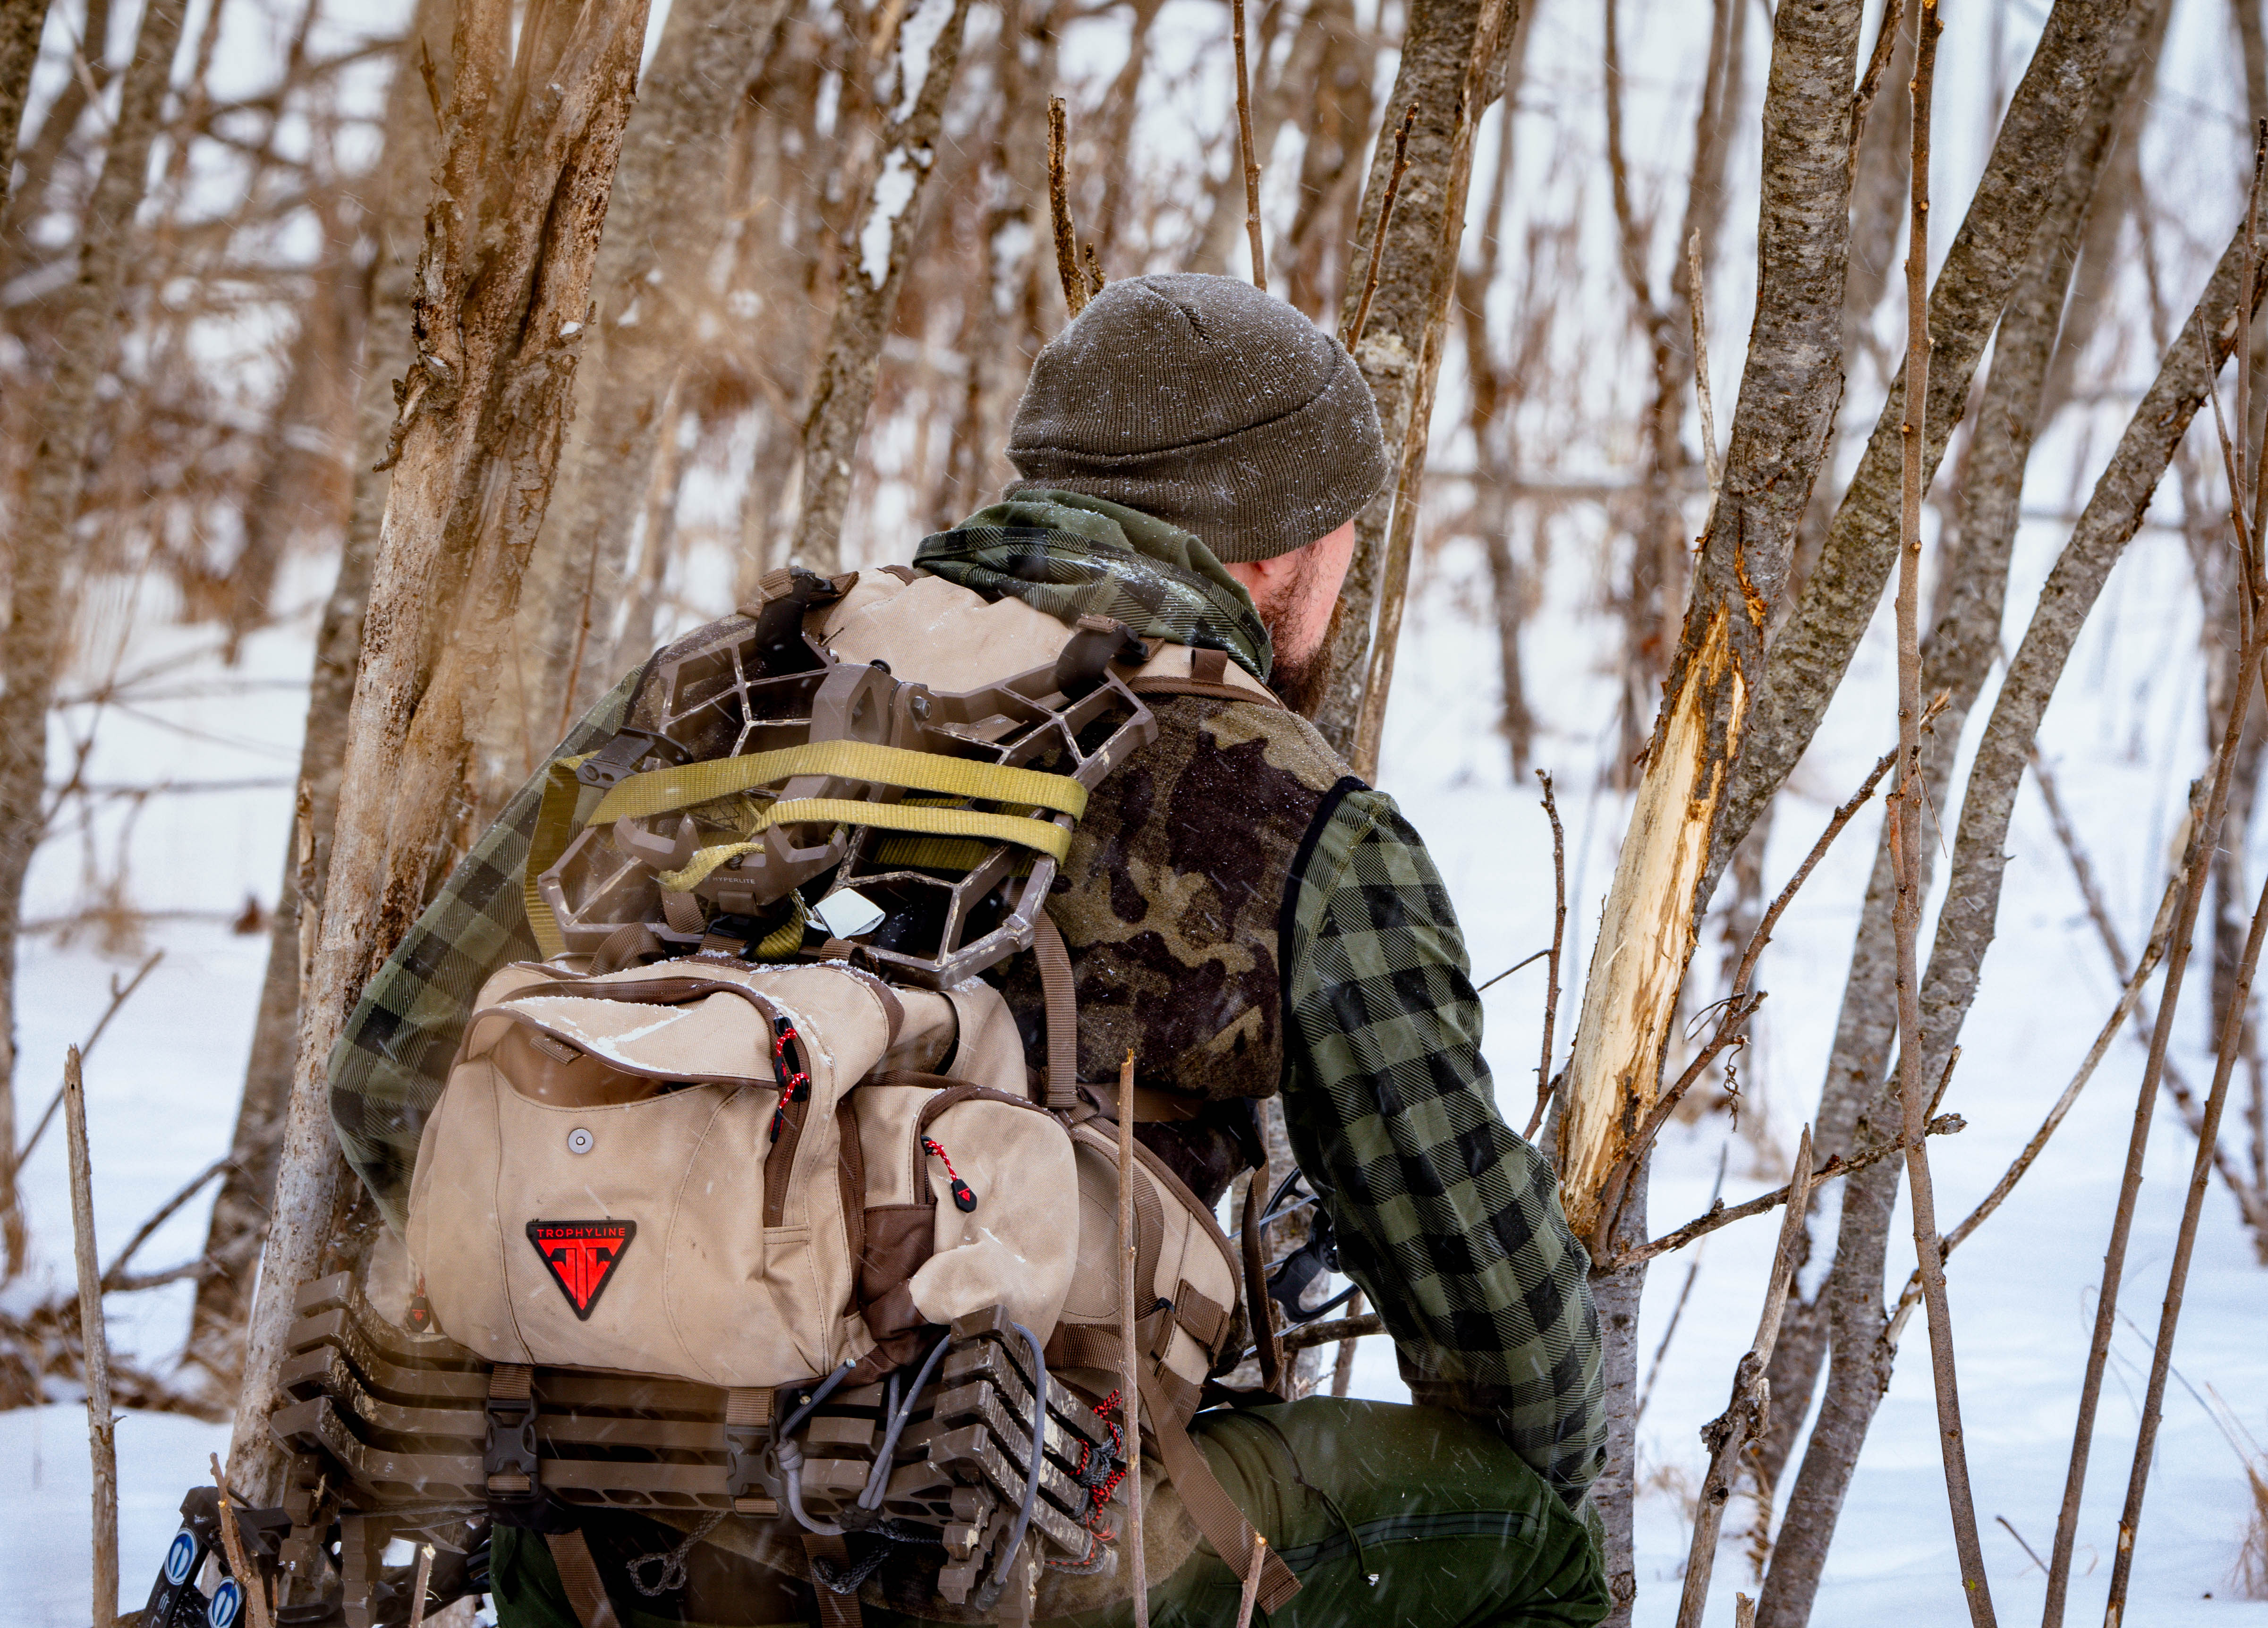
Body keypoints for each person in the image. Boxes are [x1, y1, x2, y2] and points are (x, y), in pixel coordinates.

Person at [328, 272, 1608, 1627]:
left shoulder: (719, 686)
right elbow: (1485, 1308)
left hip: (599, 1538)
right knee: (1529, 1543)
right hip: (1013, 1551)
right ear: (1278, 546)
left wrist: (667, 1318)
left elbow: (394, 1073)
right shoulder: (1298, 814)